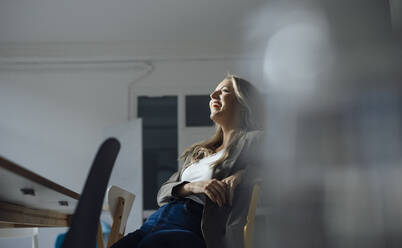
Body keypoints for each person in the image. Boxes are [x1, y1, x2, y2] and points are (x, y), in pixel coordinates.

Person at [111, 74, 265, 248]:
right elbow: (163, 193)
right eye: (213, 92)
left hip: (194, 226)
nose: (213, 96)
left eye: (224, 91)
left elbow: (280, 168)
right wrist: (194, 186)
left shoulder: (254, 139)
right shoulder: (200, 151)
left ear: (243, 103)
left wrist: (243, 175)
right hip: (157, 220)